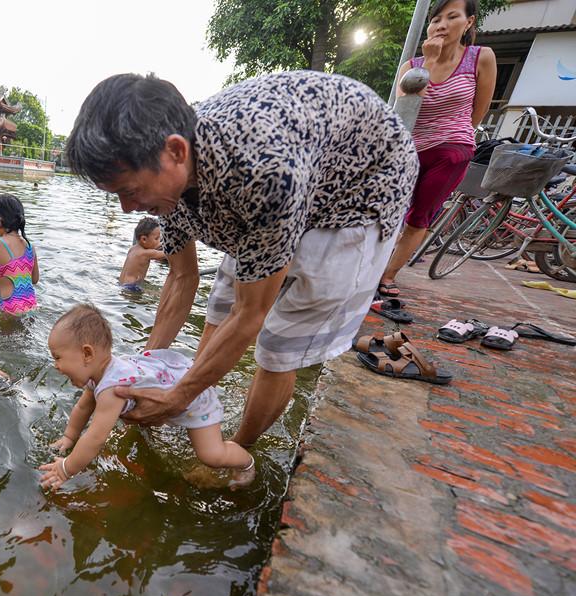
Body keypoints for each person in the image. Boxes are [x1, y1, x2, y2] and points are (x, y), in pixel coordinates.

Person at [64, 71, 419, 447]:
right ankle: (199, 407)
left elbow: (251, 315)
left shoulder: (263, 173)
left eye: (130, 191)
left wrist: (177, 397)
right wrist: (146, 369)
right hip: (281, 180)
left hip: (357, 191)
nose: (126, 209)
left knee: (279, 343)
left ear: (176, 152)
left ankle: (239, 449)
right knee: (219, 309)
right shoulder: (170, 170)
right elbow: (183, 278)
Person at [39, 304, 254, 490]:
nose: (56, 366)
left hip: (195, 402)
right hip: (171, 380)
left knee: (211, 456)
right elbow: (83, 408)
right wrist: (69, 437)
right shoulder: (99, 374)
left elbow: (95, 438)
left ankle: (246, 462)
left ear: (87, 354)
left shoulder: (112, 389)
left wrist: (66, 469)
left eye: (58, 357)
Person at [377, 0, 496, 297]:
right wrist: (429, 63)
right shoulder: (412, 66)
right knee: (387, 212)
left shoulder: (481, 58)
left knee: (420, 216)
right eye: (436, 19)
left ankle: (387, 276)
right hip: (408, 150)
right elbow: (405, 112)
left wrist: (453, 136)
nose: (441, 25)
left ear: (468, 22)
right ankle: (368, 270)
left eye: (452, 17)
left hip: (451, 150)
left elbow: (477, 113)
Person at [119, 216, 166, 291]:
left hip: (122, 284)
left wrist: (160, 244)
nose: (159, 241)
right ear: (144, 239)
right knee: (157, 296)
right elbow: (167, 254)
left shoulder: (133, 249)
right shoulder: (146, 253)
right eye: (156, 238)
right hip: (132, 287)